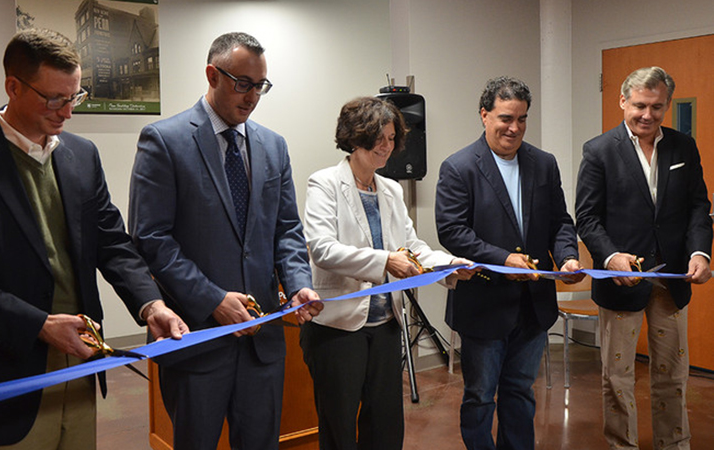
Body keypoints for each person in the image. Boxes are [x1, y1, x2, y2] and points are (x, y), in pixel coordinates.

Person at [0, 28, 188, 449]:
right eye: (54, 98)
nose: (67, 113)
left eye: (74, 96)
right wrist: (39, 325)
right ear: (13, 87)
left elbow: (112, 242)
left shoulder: (82, 156)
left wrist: (151, 304)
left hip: (78, 369)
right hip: (3, 382)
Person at [128, 31, 323, 450]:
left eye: (260, 86)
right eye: (243, 83)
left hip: (262, 342)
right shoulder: (165, 140)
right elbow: (151, 238)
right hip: (197, 340)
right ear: (212, 74)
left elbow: (286, 229)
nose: (252, 96)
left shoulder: (273, 146)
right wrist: (212, 299)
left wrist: (297, 281)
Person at [301, 96, 475, 449]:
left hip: (384, 326)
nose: (387, 146)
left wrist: (448, 264)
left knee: (385, 428)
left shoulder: (392, 189)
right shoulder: (324, 184)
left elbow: (411, 247)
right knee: (339, 429)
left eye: (392, 138)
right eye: (378, 137)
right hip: (337, 330)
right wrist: (384, 261)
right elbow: (322, 248)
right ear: (354, 137)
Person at [435, 76, 584, 450]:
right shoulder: (458, 167)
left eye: (521, 119)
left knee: (520, 393)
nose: (513, 128)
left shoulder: (543, 164)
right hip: (483, 306)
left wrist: (567, 257)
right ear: (484, 115)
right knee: (481, 396)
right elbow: (452, 232)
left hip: (533, 307)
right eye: (505, 118)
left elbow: (560, 222)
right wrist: (503, 258)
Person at [575, 66, 712, 450]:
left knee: (673, 374)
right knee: (617, 377)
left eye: (656, 107)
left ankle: (675, 444)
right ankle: (623, 446)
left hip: (672, 280)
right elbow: (586, 217)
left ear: (666, 105)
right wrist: (610, 256)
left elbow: (699, 207)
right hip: (623, 281)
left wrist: (700, 251)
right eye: (639, 106)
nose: (647, 115)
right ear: (623, 101)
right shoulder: (599, 150)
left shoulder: (683, 147)